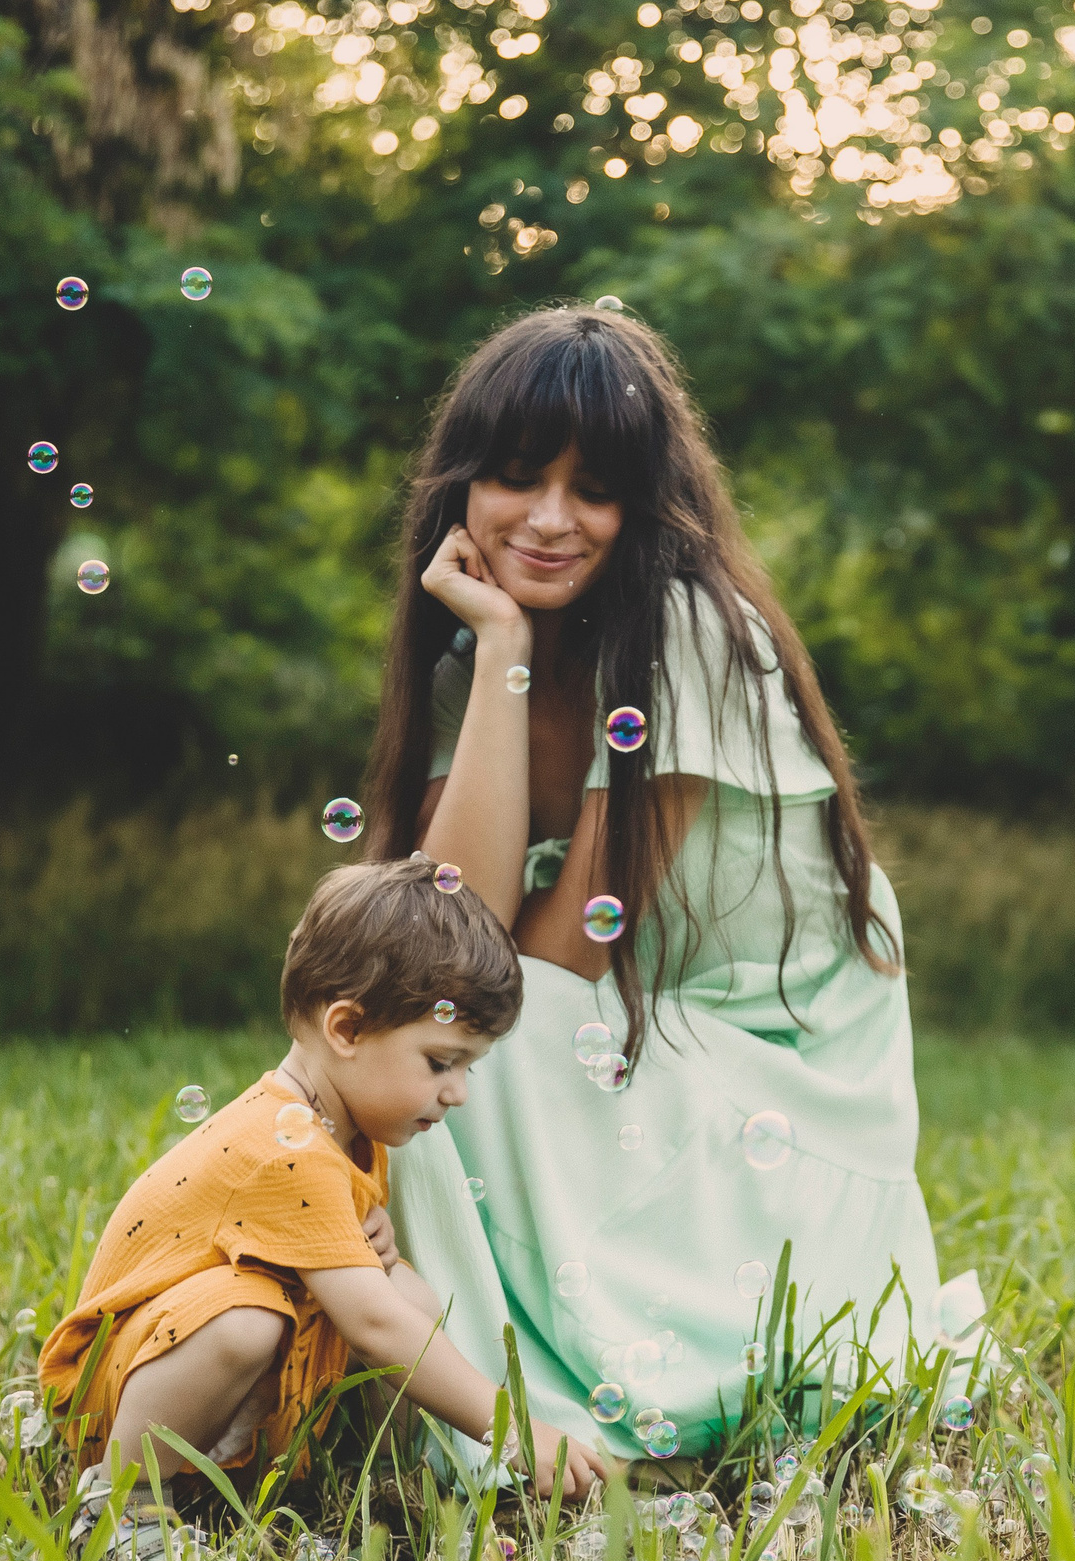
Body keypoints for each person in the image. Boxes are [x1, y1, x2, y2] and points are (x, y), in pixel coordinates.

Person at [367, 302, 947, 1463]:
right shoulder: (478, 656)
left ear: (644, 508)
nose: (547, 520)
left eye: (593, 489)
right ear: (461, 487)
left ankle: (489, 1416)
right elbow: (449, 933)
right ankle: (404, 1356)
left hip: (783, 1073)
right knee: (408, 1032)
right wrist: (501, 658)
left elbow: (547, 960)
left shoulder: (691, 628)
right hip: (647, 1038)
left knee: (448, 1047)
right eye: (517, 478)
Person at [40, 860, 607, 1557]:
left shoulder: (352, 1132)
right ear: (346, 1026)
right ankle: (121, 1506)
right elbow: (370, 1324)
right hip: (120, 1398)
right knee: (258, 1320)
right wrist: (512, 1427)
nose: (459, 1091)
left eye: (470, 1066)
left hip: (207, 1399)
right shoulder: (286, 1144)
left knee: (408, 1289)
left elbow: (372, 1293)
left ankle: (383, 1479)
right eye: (440, 1061)